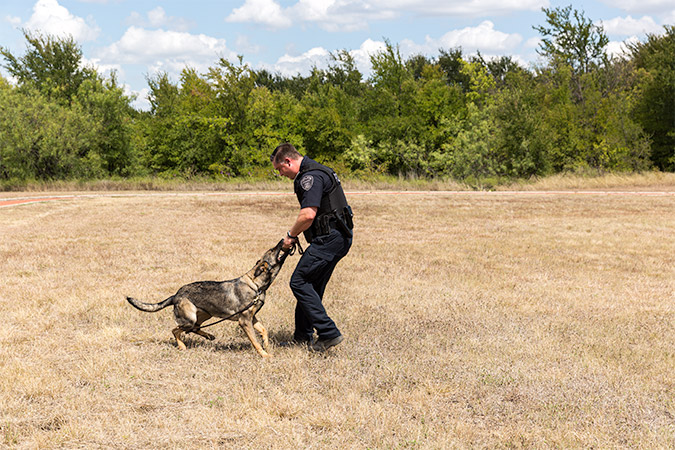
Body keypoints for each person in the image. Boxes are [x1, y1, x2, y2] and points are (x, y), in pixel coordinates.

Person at [271, 143, 354, 351]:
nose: (281, 174)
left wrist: (291, 235)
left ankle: (328, 333)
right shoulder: (317, 170)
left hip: (330, 239)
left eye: (280, 169)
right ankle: (302, 337)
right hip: (335, 237)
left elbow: (308, 214)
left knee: (299, 281)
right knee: (311, 285)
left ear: (288, 161)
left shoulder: (311, 177)